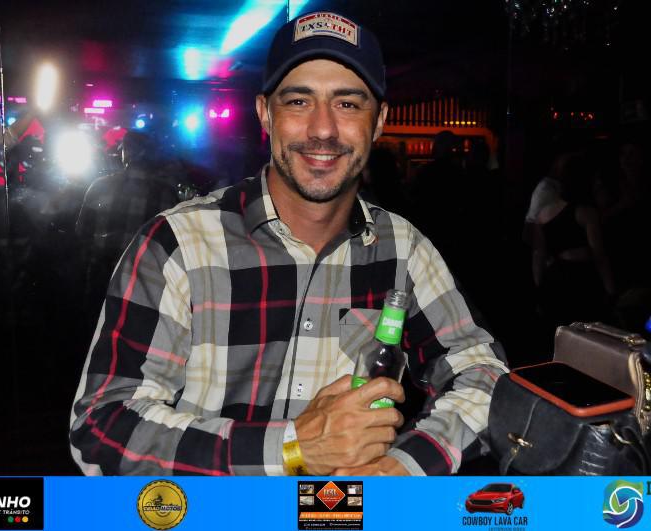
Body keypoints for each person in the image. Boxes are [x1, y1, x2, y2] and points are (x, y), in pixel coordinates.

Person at [69, 12, 507, 476]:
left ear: (379, 122)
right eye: (298, 101)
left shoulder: (404, 249)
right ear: (265, 114)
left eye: (347, 104)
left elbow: (486, 378)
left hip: (342, 511)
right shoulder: (178, 244)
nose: (323, 129)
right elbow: (102, 428)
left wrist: (402, 466)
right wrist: (292, 447)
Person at [75, 130, 180, 317]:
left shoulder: (100, 186)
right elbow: (172, 246)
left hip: (101, 279)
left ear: (126, 152)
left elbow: (82, 232)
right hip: (144, 285)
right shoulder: (167, 194)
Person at [531, 151, 615, 328]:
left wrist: (538, 289)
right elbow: (598, 253)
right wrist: (610, 289)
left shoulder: (543, 214)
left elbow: (538, 254)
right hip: (581, 281)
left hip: (554, 279)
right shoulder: (586, 213)